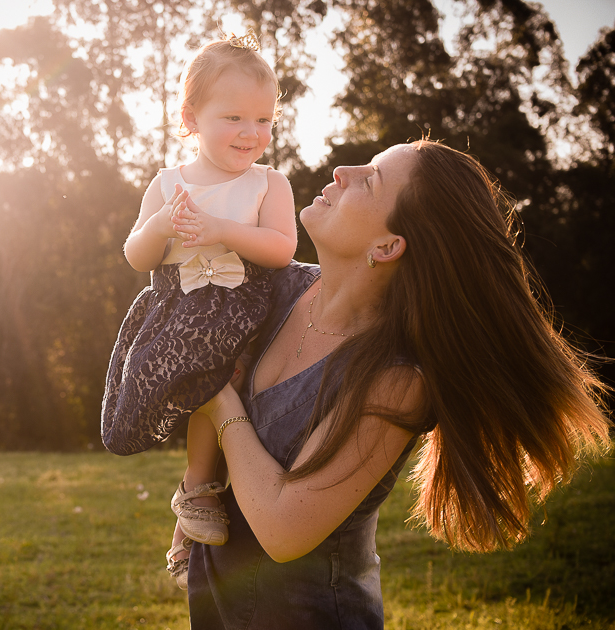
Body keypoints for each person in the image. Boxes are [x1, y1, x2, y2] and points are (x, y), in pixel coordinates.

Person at [173, 139, 613, 628]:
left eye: (370, 179)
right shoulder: (276, 288)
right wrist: (195, 492)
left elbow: (283, 530)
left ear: (387, 246)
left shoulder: (396, 379)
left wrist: (219, 399)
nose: (342, 169)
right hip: (218, 606)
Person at [100, 31, 298, 589]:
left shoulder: (269, 183)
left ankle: (197, 495)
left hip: (249, 310)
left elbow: (283, 249)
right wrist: (161, 224)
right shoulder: (168, 185)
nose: (250, 133)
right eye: (234, 117)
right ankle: (197, 495)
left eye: (263, 119)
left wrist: (220, 231)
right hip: (184, 313)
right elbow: (137, 256)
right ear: (190, 118)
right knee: (206, 377)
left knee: (227, 377)